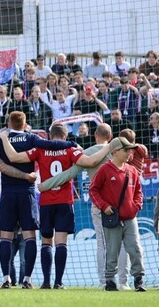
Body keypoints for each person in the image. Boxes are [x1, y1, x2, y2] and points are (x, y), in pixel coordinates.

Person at [0, 111, 76, 289]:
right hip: (27, 192)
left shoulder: (0, 137)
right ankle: (27, 279)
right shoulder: (32, 138)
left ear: (9, 123)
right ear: (25, 124)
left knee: (6, 237)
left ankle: (6, 279)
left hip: (8, 193)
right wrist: (71, 143)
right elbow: (50, 144)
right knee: (30, 236)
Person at [0, 125, 110, 289]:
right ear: (65, 137)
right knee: (61, 243)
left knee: (46, 242)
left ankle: (45, 282)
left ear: (50, 137)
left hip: (46, 202)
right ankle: (58, 282)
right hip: (64, 202)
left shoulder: (40, 149)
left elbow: (14, 157)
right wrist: (109, 146)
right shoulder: (70, 150)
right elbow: (91, 161)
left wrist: (3, 138)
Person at [39, 124, 132, 289]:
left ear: (95, 134)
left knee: (102, 243)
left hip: (100, 204)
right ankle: (125, 282)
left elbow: (69, 173)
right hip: (124, 201)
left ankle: (106, 281)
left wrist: (46, 184)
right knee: (124, 243)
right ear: (110, 137)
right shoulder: (121, 151)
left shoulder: (88, 152)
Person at [89, 137, 147, 292]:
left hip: (130, 218)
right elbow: (93, 190)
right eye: (126, 150)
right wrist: (104, 206)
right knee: (112, 250)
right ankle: (110, 281)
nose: (130, 153)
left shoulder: (132, 170)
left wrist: (136, 207)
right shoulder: (104, 170)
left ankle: (138, 280)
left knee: (135, 248)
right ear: (114, 152)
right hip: (112, 219)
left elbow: (138, 193)